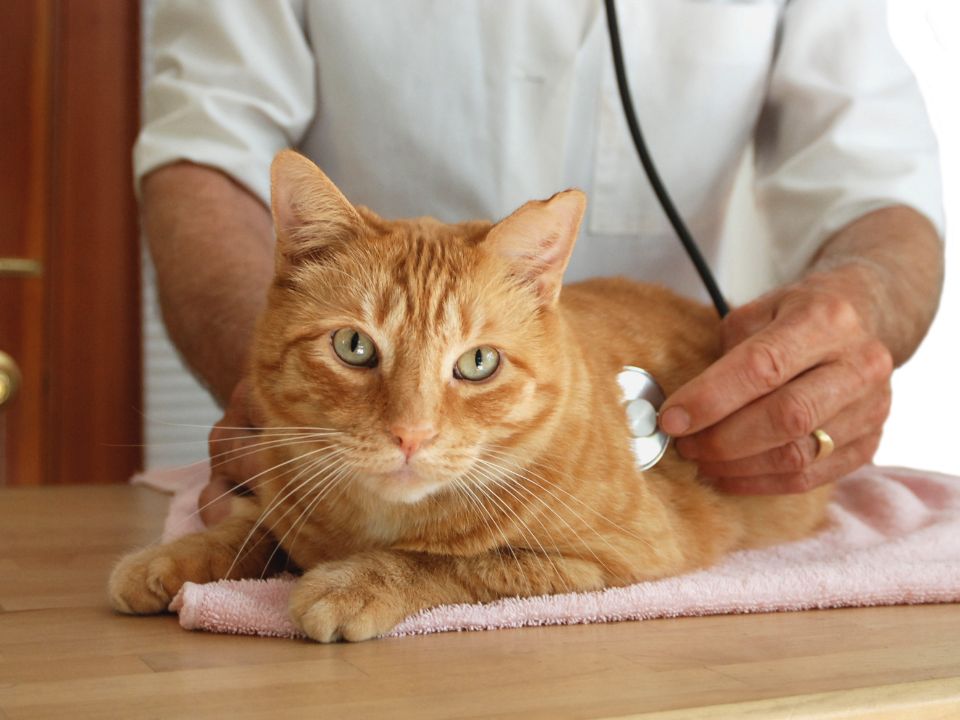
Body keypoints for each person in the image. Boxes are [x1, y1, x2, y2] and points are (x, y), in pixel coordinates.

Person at [136, 0, 944, 524]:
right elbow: (206, 153)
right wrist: (283, 387)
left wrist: (858, 310)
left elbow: (878, 183)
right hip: (336, 432)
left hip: (676, 435)